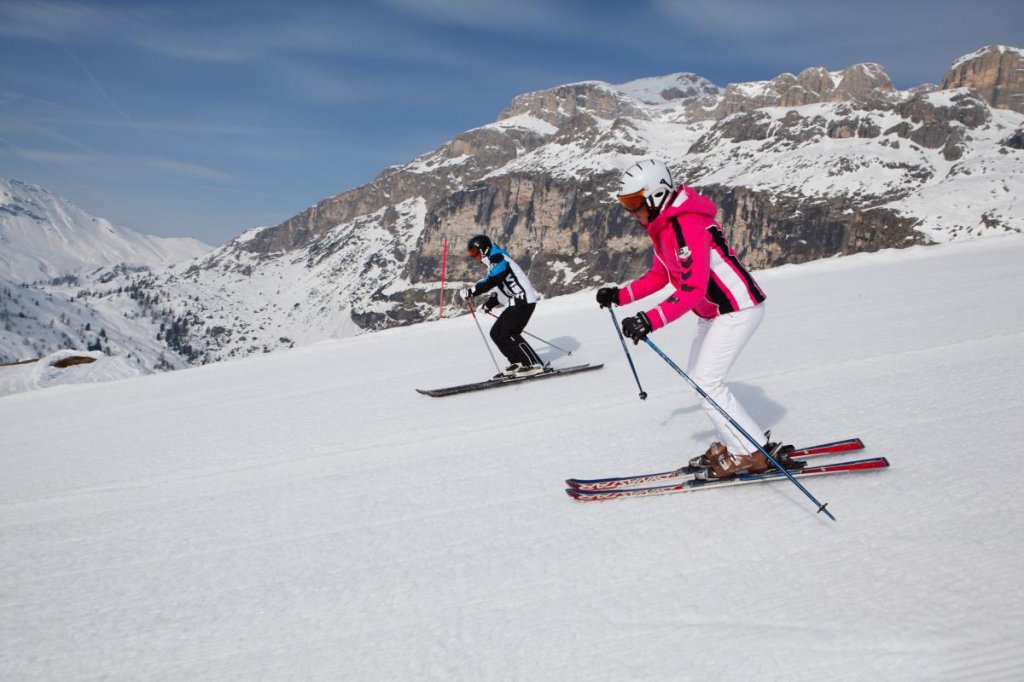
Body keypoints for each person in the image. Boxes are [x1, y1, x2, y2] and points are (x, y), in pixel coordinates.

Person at [597, 159, 791, 480]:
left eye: (634, 202)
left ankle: (749, 452)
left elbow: (692, 287)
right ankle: (737, 441)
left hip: (736, 307)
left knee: (707, 381)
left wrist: (650, 319)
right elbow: (660, 276)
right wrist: (620, 296)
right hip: (712, 313)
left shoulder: (686, 225)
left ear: (656, 195)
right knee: (698, 380)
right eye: (625, 203)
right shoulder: (662, 227)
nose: (630, 212)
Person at [460, 234, 545, 378]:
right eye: (471, 254)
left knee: (509, 333)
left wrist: (472, 291)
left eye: (474, 253)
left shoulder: (499, 258)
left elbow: (493, 280)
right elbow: (501, 287)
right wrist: (490, 304)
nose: (474, 257)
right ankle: (517, 362)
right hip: (516, 301)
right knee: (496, 333)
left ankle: (532, 364)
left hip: (523, 301)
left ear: (483, 249)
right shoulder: (493, 262)